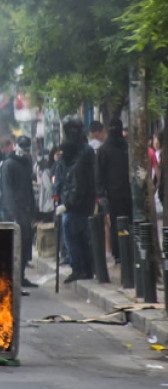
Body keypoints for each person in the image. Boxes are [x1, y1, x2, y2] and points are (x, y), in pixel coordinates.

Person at [55, 117, 96, 283]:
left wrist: (67, 203)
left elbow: (77, 182)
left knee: (75, 238)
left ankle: (80, 268)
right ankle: (84, 268)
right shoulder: (69, 153)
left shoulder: (85, 152)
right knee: (80, 238)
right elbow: (61, 178)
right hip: (75, 202)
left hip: (77, 204)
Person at [1, 135, 38, 287]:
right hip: (16, 211)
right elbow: (7, 190)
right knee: (17, 245)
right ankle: (14, 277)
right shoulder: (9, 164)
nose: (25, 151)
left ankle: (21, 276)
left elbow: (28, 187)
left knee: (25, 244)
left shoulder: (26, 163)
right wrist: (13, 213)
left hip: (26, 209)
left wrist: (34, 210)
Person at [94, 117, 131, 264]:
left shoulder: (125, 147)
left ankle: (122, 254)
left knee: (122, 225)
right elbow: (99, 175)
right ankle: (120, 253)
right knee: (120, 225)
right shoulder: (120, 147)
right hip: (117, 195)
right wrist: (102, 195)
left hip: (120, 194)